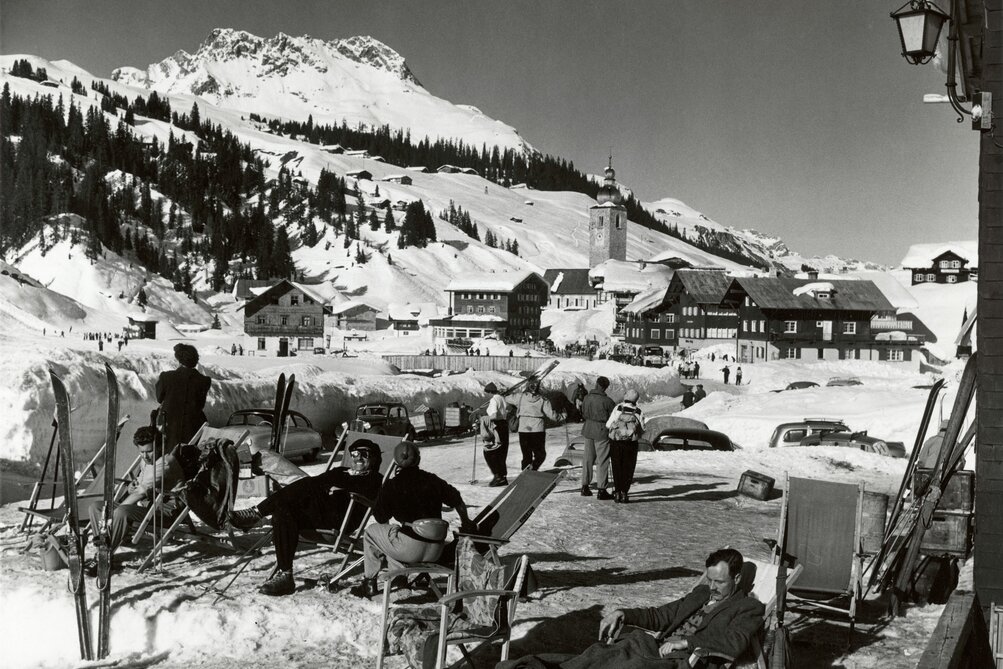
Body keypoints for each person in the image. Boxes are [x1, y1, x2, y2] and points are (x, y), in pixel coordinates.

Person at [499, 548, 764, 669]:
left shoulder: (748, 608)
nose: (712, 587)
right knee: (598, 653)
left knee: (615, 662)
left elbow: (735, 642)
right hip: (649, 646)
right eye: (709, 579)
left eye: (720, 582)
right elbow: (662, 615)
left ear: (737, 578)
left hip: (676, 660)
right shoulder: (700, 593)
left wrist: (686, 642)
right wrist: (623, 613)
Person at [229, 439, 384, 596]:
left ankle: (256, 514)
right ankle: (285, 576)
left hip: (341, 518)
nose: (358, 458)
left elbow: (369, 502)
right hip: (319, 512)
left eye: (364, 454)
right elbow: (319, 483)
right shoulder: (340, 471)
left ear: (374, 458)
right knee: (283, 511)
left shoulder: (375, 479)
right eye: (355, 454)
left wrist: (335, 489)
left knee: (308, 483)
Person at [351, 442, 473, 598]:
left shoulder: (392, 484)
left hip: (410, 549)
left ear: (395, 461)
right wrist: (466, 521)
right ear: (418, 459)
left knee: (372, 533)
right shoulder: (432, 479)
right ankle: (398, 579)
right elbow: (457, 500)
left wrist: (380, 500)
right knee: (396, 535)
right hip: (436, 549)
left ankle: (369, 584)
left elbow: (381, 518)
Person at [87, 426, 184, 555]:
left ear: (160, 447)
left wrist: (112, 515)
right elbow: (140, 484)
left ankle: (104, 554)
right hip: (149, 508)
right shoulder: (147, 461)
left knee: (121, 512)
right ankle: (102, 550)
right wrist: (132, 485)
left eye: (149, 451)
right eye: (141, 452)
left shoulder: (164, 463)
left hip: (165, 513)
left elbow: (141, 492)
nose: (145, 456)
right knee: (96, 507)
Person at [155, 343, 212, 450]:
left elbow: (159, 398)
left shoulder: (166, 377)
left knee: (167, 459)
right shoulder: (204, 381)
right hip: (193, 429)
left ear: (179, 360)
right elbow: (200, 405)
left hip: (169, 429)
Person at [507, 379, 563, 471]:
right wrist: (562, 416)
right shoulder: (543, 400)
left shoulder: (520, 397)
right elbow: (552, 416)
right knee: (540, 455)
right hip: (538, 430)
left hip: (524, 430)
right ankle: (533, 468)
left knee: (526, 455)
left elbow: (507, 397)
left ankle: (525, 474)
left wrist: (506, 391)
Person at [605, 389, 646, 503]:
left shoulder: (618, 408)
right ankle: (624, 493)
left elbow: (608, 424)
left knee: (617, 466)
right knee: (628, 468)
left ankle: (617, 493)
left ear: (626, 397)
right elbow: (642, 430)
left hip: (616, 442)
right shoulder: (638, 411)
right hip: (631, 443)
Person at [580, 377, 616, 499]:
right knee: (602, 460)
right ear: (605, 387)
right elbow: (613, 419)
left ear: (596, 384)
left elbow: (583, 413)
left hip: (588, 429)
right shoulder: (608, 401)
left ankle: (584, 486)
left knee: (587, 459)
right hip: (601, 431)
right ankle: (601, 489)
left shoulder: (587, 398)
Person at [482, 382, 510, 487]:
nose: (486, 395)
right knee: (501, 453)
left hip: (496, 426)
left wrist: (483, 418)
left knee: (489, 452)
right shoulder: (502, 398)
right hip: (504, 425)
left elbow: (493, 415)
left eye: (486, 393)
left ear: (489, 392)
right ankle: (503, 477)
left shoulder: (493, 400)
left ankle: (498, 476)